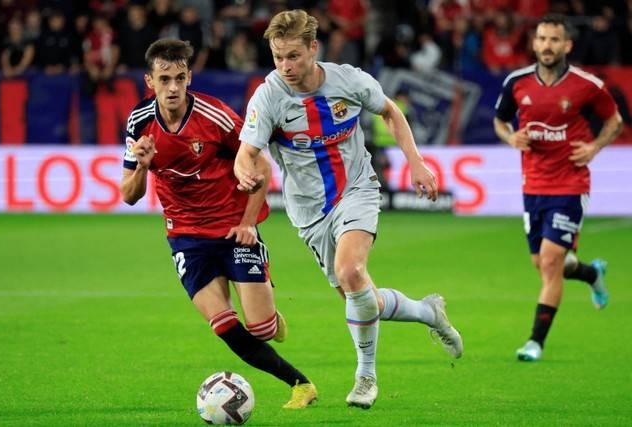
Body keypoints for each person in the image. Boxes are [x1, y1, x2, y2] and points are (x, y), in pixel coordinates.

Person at [234, 9, 463, 409]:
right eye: (277, 57)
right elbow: (246, 152)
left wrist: (416, 162)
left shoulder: (348, 80)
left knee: (351, 270)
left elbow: (390, 111)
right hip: (308, 213)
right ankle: (429, 313)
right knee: (363, 298)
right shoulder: (269, 95)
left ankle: (365, 376)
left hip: (356, 188)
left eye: (293, 56)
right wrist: (244, 172)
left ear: (313, 48)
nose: (285, 66)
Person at [119, 38, 317, 409]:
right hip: (186, 238)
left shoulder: (217, 117)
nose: (173, 87)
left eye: (180, 77)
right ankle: (301, 384)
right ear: (150, 81)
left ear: (189, 76)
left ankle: (271, 320)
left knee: (261, 328)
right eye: (164, 79)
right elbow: (129, 195)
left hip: (231, 228)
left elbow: (259, 165)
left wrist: (247, 223)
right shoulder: (138, 123)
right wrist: (143, 166)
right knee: (224, 324)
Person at [493, 14, 622, 362]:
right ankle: (592, 273)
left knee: (550, 262)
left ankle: (535, 342)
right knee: (547, 264)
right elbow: (500, 121)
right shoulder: (516, 83)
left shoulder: (586, 85)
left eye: (554, 40)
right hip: (533, 186)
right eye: (542, 39)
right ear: (534, 43)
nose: (547, 46)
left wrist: (594, 147)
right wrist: (511, 137)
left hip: (569, 183)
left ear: (567, 45)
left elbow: (615, 120)